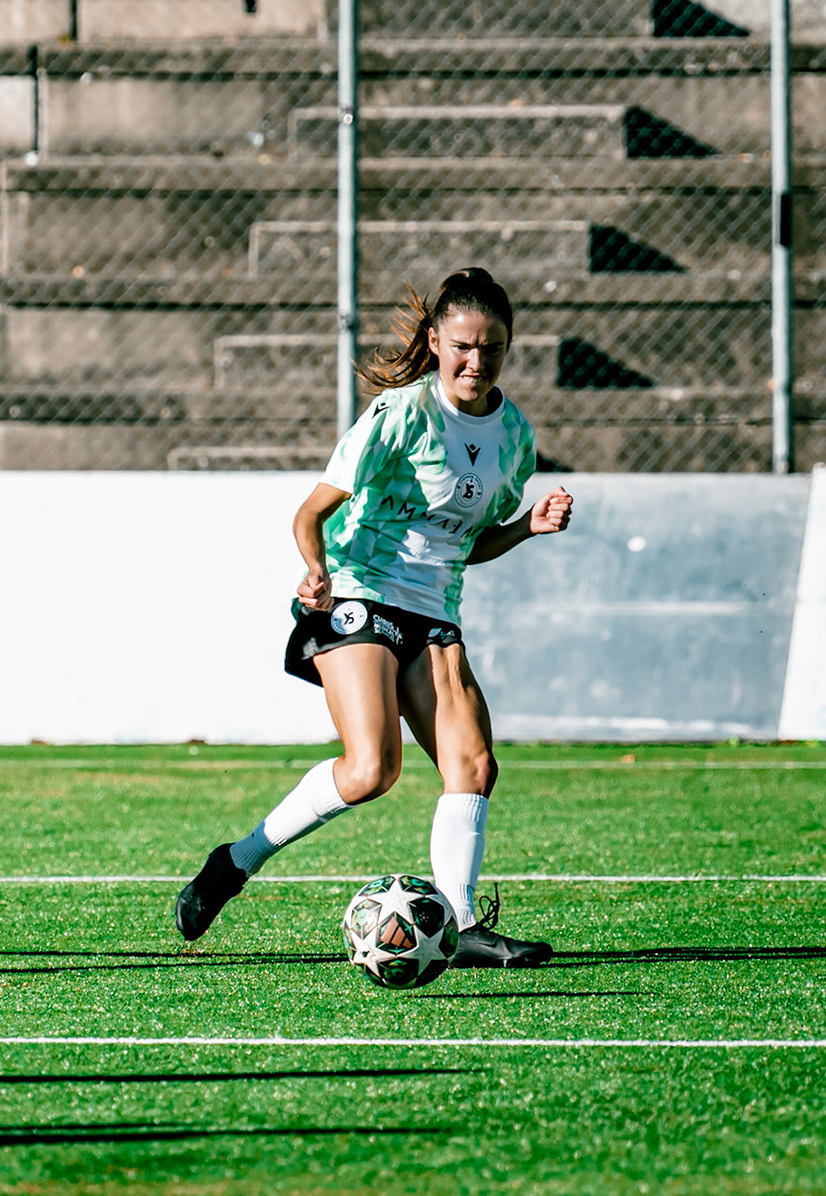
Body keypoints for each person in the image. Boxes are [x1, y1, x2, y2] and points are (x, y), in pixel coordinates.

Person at [175, 268, 573, 967]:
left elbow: (466, 544)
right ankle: (233, 864)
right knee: (371, 770)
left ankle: (460, 922)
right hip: (359, 590)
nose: (476, 362)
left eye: (493, 349)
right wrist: (316, 570)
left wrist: (526, 527)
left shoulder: (514, 435)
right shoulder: (400, 414)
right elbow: (312, 513)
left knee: (475, 765)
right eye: (462, 346)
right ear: (435, 341)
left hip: (434, 610)